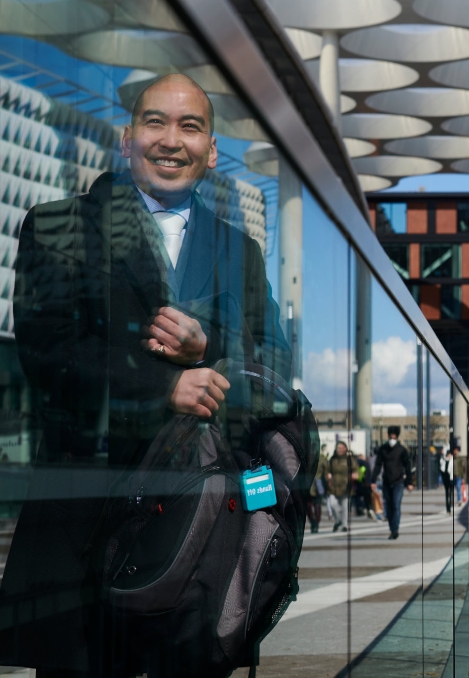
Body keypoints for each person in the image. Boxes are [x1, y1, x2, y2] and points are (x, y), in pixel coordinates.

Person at [0, 73, 290, 676]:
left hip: (205, 544)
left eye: (190, 126)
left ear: (212, 150)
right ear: (127, 140)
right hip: (86, 538)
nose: (171, 140)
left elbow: (275, 364)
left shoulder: (241, 251)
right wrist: (164, 389)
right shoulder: (57, 226)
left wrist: (209, 350)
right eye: (155, 122)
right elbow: (48, 354)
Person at [370, 425, 413, 539]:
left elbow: (407, 466)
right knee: (388, 506)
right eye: (390, 437)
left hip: (398, 482)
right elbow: (378, 465)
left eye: (394, 437)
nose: (392, 439)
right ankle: (392, 527)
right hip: (386, 482)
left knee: (396, 505)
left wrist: (409, 482)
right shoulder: (383, 449)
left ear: (397, 437)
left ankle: (395, 529)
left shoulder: (402, 450)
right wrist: (373, 480)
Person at [326, 441, 352, 532]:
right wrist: (328, 475)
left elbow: (356, 469)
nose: (339, 450)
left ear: (345, 448)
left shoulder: (349, 459)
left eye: (341, 448)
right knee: (332, 504)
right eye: (338, 448)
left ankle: (344, 525)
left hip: (345, 486)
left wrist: (355, 474)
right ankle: (338, 520)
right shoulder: (332, 459)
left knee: (345, 506)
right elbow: (327, 469)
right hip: (334, 486)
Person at [308, 444, 329, 533]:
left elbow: (326, 471)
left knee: (314, 506)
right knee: (311, 506)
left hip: (315, 484)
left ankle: (315, 523)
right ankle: (314, 523)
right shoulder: (321, 458)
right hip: (312, 484)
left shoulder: (321, 458)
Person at [440, 446, 454, 514]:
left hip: (451, 479)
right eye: (447, 454)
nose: (448, 455)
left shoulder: (452, 461)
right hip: (446, 479)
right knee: (447, 494)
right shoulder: (444, 461)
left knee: (450, 494)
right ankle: (447, 508)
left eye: (449, 454)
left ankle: (450, 506)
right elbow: (442, 469)